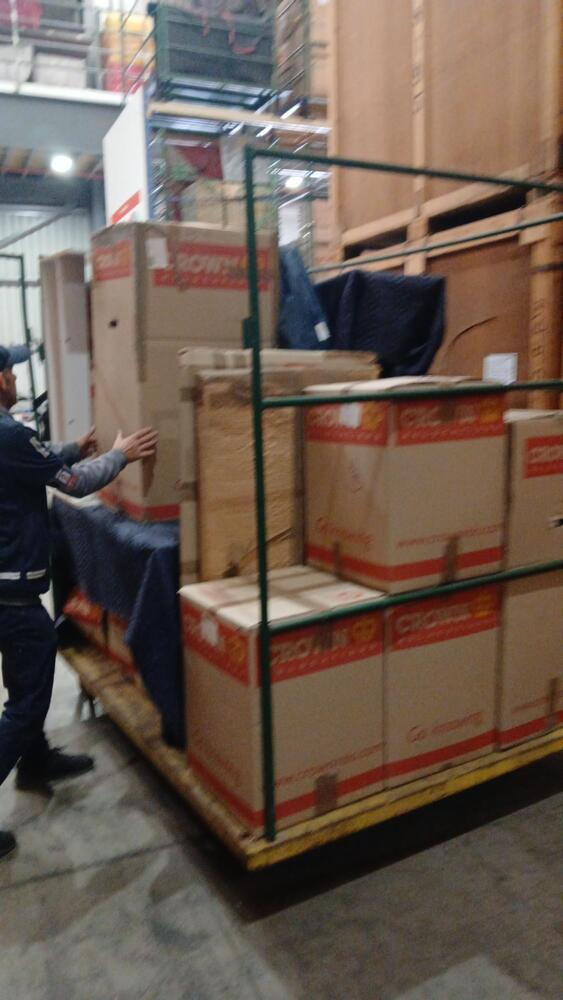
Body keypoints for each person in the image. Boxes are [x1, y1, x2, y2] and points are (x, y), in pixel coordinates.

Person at [0, 344, 158, 860]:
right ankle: (29, 755)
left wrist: (74, 447)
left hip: (7, 588)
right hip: (13, 595)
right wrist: (120, 454)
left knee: (23, 685)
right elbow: (75, 482)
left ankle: (35, 761)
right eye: (10, 370)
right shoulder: (8, 433)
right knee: (27, 702)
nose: (15, 377)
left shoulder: (10, 437)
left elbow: (38, 460)